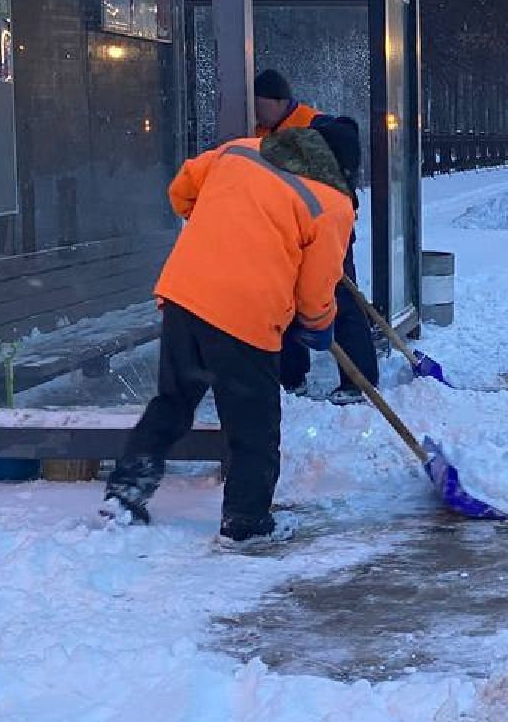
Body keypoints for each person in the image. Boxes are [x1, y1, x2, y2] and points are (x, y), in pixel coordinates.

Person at [100, 124, 355, 543]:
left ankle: (125, 492)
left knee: (173, 401)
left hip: (187, 293)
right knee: (253, 425)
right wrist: (320, 325)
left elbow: (181, 191)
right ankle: (246, 521)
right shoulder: (332, 205)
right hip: (246, 314)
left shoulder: (239, 152)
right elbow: (314, 297)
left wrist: (223, 223)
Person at [250, 69, 380, 404]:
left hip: (326, 229)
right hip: (290, 231)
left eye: (261, 106)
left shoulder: (315, 125)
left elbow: (345, 143)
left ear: (280, 101)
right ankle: (291, 376)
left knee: (338, 299)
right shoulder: (265, 130)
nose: (256, 113)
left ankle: (359, 379)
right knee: (287, 300)